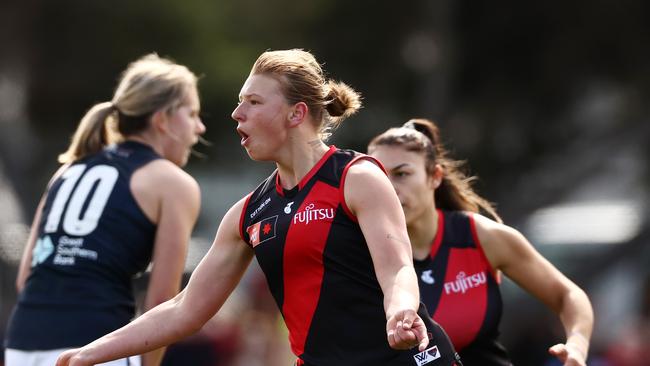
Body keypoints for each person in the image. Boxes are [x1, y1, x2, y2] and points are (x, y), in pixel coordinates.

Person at [55, 49, 461, 366]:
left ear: (296, 113)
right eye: (238, 102)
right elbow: (183, 309)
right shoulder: (249, 214)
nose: (236, 114)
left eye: (252, 102)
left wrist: (402, 310)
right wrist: (94, 351)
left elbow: (397, 270)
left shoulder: (357, 178)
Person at [5, 54, 206, 366]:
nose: (199, 127)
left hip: (21, 344)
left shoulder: (68, 169)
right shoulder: (173, 183)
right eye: (192, 114)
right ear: (162, 120)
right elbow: (163, 301)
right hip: (96, 347)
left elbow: (26, 277)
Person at [367, 118, 595, 366]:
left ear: (435, 176)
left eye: (402, 174)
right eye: (379, 177)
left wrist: (577, 346)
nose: (389, 189)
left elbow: (568, 295)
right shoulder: (357, 249)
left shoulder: (482, 237)